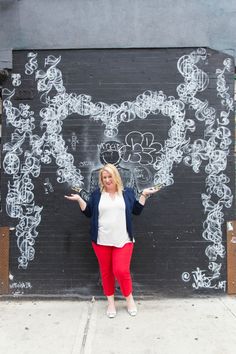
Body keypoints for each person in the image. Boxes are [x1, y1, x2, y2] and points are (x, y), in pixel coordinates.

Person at [65, 163, 159, 318]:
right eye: (104, 177)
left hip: (124, 239)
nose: (107, 180)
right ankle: (111, 303)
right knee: (106, 272)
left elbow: (136, 210)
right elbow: (88, 212)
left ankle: (129, 299)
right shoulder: (96, 195)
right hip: (101, 240)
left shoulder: (127, 193)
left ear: (116, 176)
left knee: (121, 270)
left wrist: (143, 195)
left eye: (110, 176)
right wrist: (79, 200)